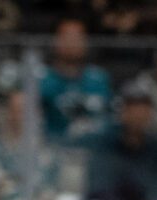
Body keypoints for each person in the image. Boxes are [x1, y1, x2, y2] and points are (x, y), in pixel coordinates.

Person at [85, 84, 157, 200]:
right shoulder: (105, 143)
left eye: (143, 110)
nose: (138, 115)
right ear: (123, 112)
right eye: (133, 110)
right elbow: (99, 187)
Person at [38, 16, 113, 149]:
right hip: (54, 150)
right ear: (55, 42)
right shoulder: (42, 79)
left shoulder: (99, 78)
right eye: (67, 37)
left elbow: (111, 116)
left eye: (78, 38)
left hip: (96, 153)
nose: (73, 43)